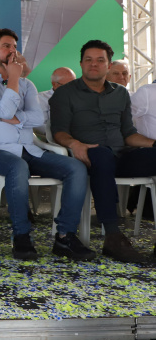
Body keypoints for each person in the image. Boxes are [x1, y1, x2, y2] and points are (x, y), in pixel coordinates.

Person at [0, 29, 95, 261]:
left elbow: (38, 119)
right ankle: (22, 236)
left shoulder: (27, 85)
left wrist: (0, 117)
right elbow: (8, 109)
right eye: (6, 46)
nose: (13, 51)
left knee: (76, 168)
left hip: (30, 149)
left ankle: (65, 236)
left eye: (14, 46)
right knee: (18, 167)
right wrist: (13, 79)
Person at [50, 39, 152, 262]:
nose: (93, 64)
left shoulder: (121, 94)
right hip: (86, 156)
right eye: (88, 60)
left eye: (100, 60)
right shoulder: (65, 93)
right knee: (102, 155)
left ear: (108, 65)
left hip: (121, 156)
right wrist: (74, 144)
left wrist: (153, 144)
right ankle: (113, 236)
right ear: (81, 64)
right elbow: (58, 131)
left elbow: (129, 134)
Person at [35, 66, 76, 138]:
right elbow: (39, 126)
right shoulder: (41, 98)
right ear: (54, 84)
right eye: (68, 85)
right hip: (60, 137)